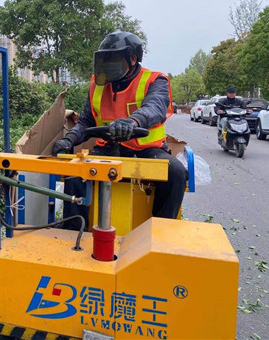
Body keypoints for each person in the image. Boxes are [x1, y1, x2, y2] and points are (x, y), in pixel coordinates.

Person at [53, 31, 187, 229]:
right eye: (105, 60)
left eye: (113, 60)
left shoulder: (155, 80)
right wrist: (69, 139)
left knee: (176, 173)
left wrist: (133, 122)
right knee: (75, 172)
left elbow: (155, 107)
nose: (108, 65)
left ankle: (161, 231)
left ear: (132, 59)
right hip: (107, 148)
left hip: (146, 151)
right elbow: (86, 121)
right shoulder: (98, 84)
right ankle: (74, 231)